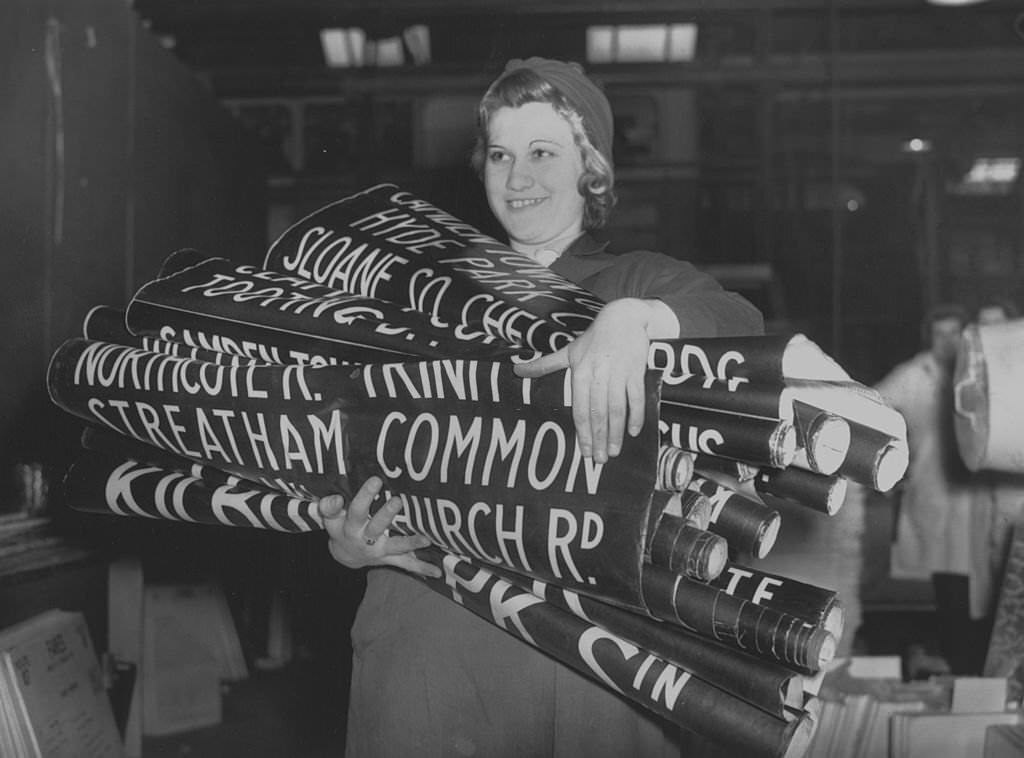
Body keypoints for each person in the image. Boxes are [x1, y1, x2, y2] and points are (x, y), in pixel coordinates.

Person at [318, 57, 764, 757]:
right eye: (500, 154)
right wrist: (348, 536)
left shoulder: (637, 280)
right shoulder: (417, 299)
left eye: (542, 153)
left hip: (588, 656)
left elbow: (741, 326)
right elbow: (351, 452)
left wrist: (631, 321)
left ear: (592, 168)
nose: (517, 178)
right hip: (433, 633)